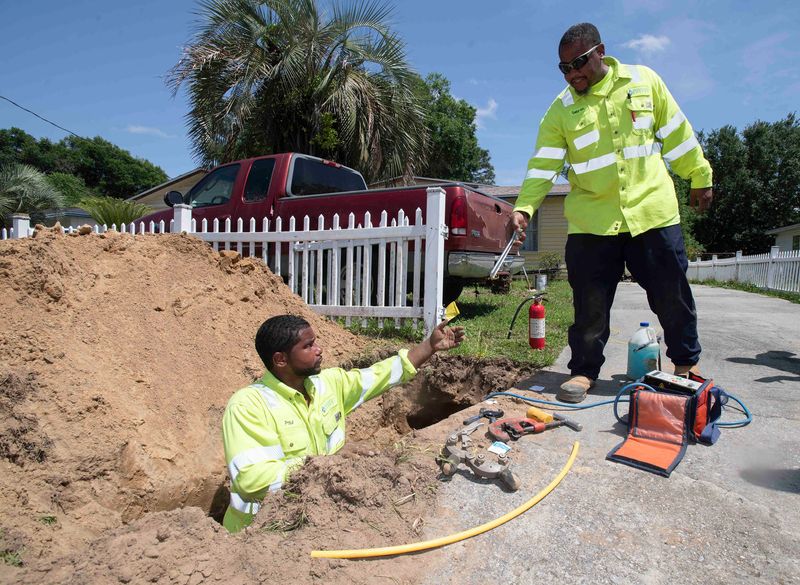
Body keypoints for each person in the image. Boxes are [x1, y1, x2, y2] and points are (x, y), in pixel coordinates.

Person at [512, 23, 713, 404]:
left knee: (672, 295)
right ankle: (584, 372)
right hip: (592, 222)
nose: (573, 74)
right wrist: (524, 207)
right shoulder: (561, 110)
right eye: (564, 68)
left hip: (651, 211)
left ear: (600, 51)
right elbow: (543, 166)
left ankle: (686, 366)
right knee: (589, 304)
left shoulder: (643, 81)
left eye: (579, 63)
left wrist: (700, 176)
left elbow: (678, 133)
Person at [221, 314, 465, 533]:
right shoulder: (248, 406)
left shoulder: (327, 384)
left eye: (315, 342)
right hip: (260, 532)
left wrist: (429, 347)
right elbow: (250, 480)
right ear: (280, 359)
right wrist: (325, 463)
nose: (319, 350)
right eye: (308, 346)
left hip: (313, 519)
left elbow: (379, 375)